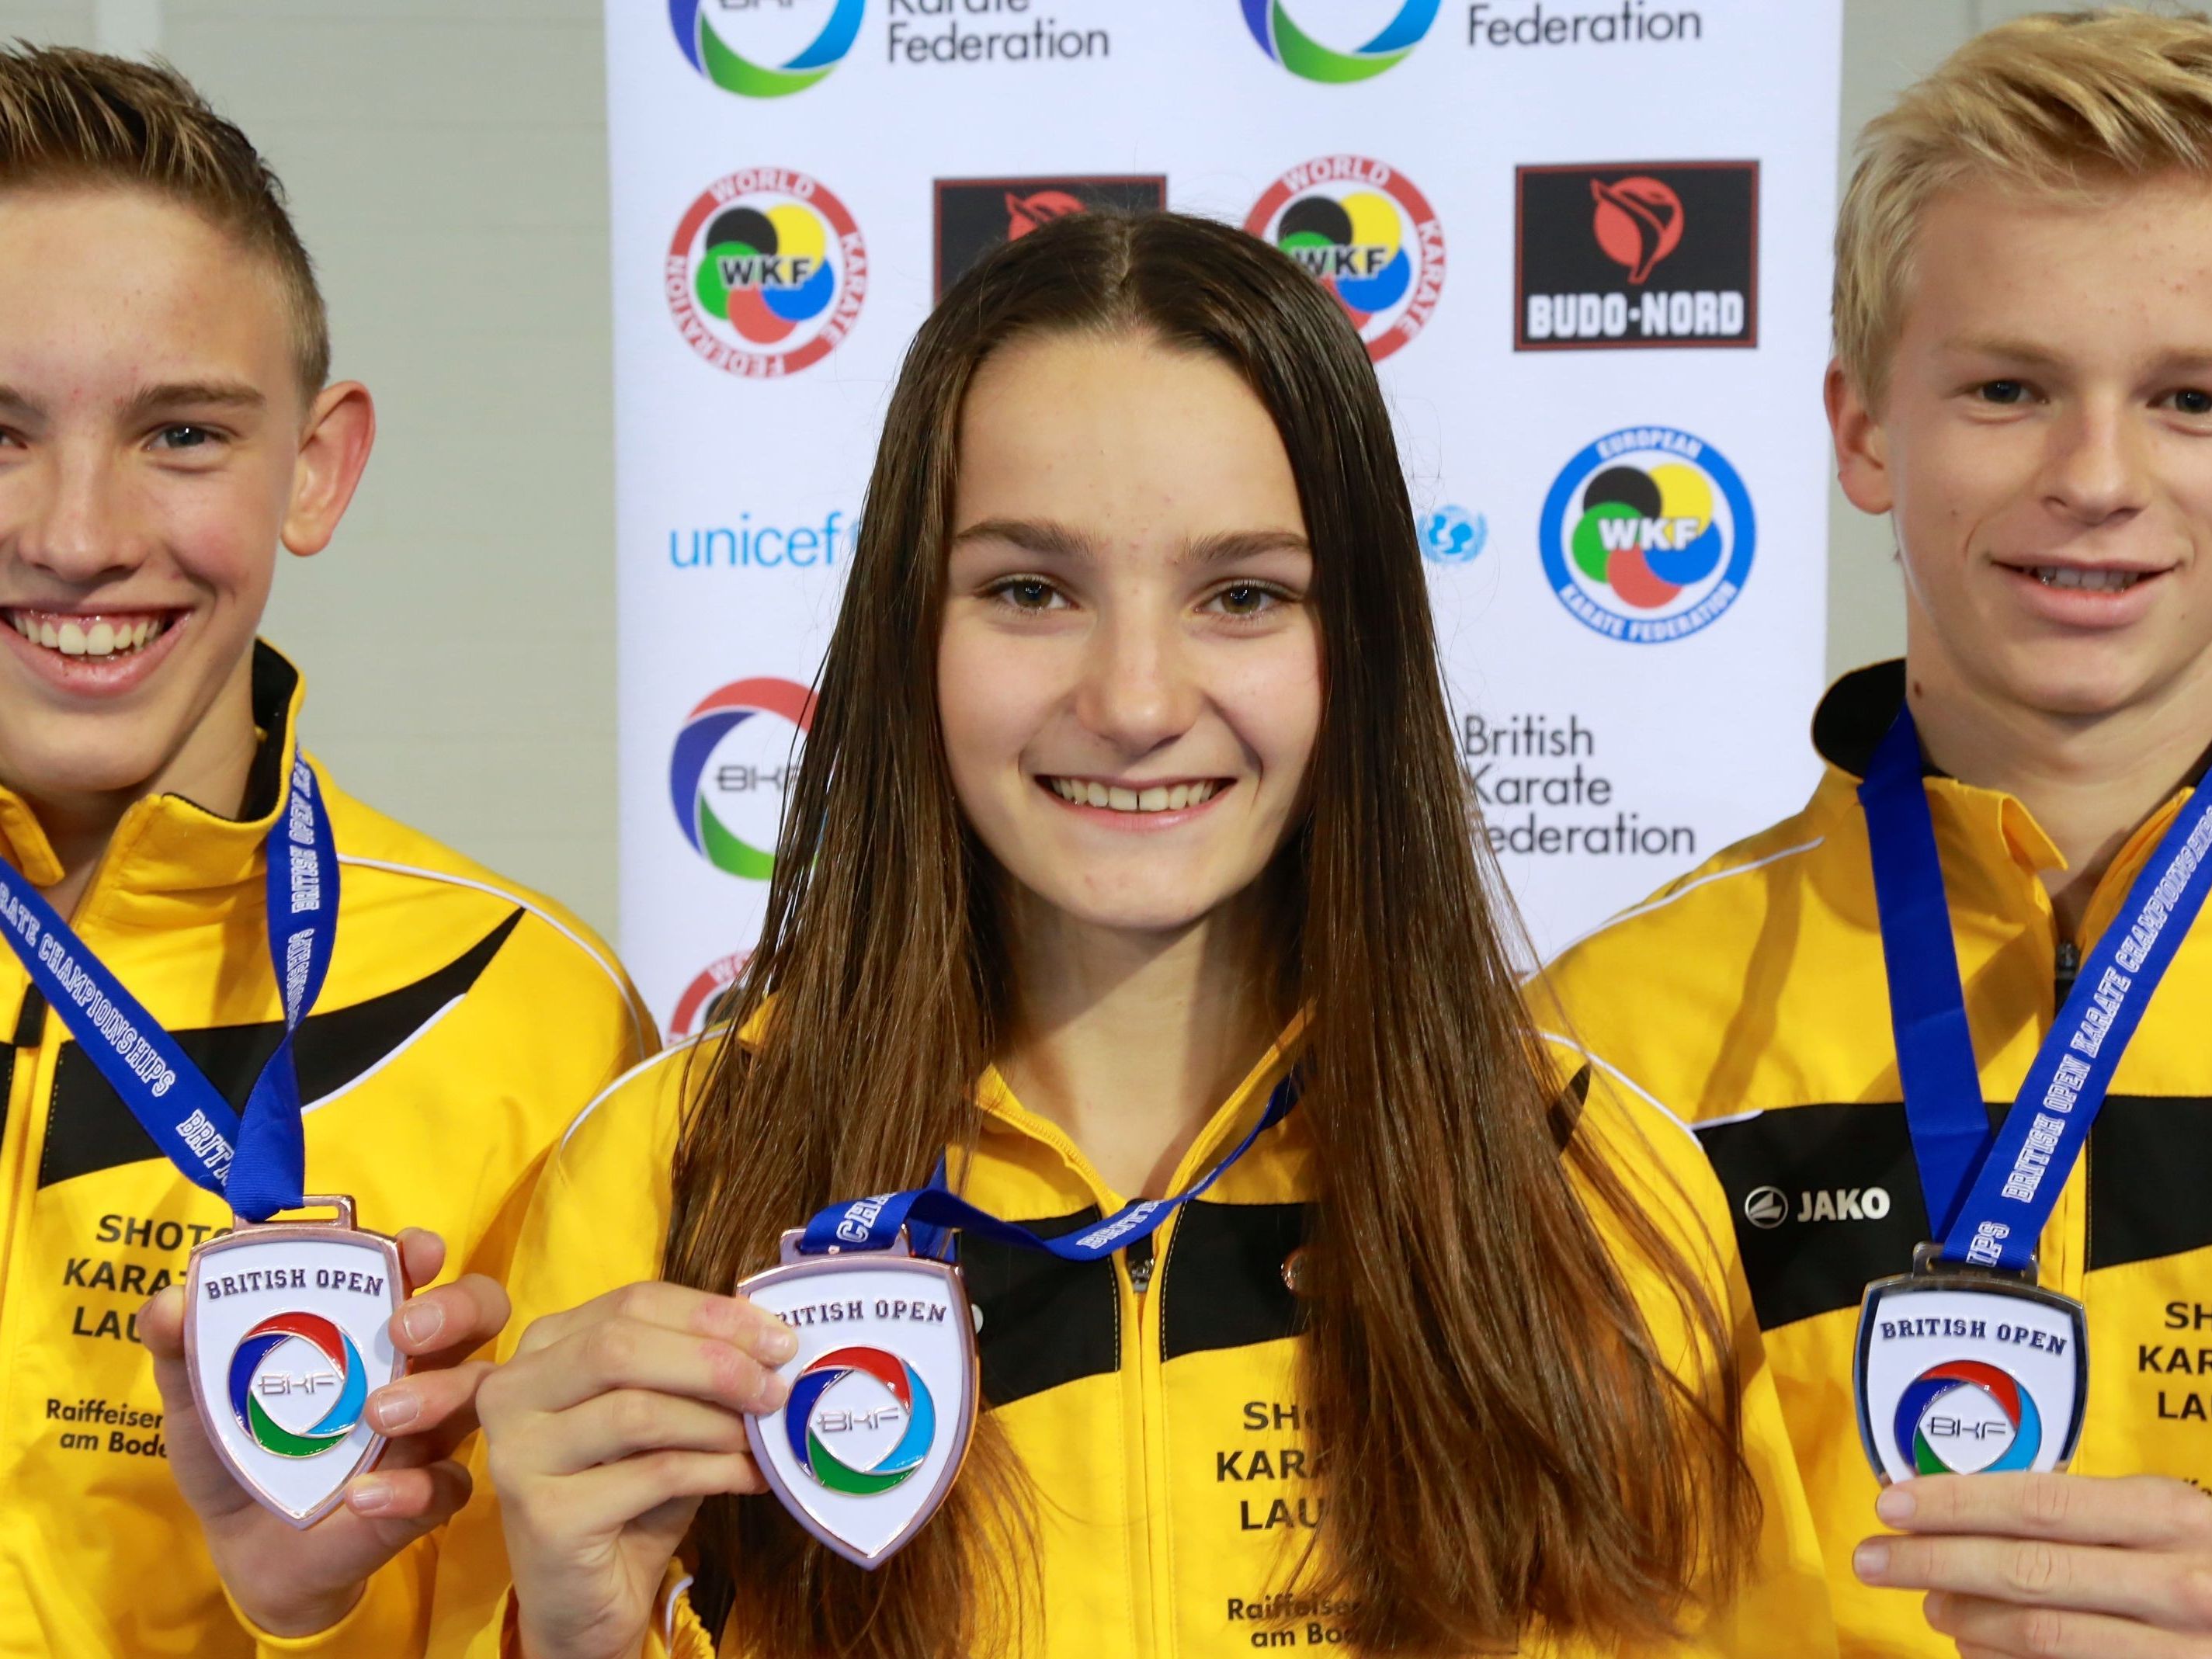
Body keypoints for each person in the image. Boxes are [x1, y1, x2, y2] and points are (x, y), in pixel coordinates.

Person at [270, 209, 1835, 1659]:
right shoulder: (675, 1172)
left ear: (1353, 643)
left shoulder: (1589, 1183)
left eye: (1243, 594)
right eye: (1030, 589)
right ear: (911, 629)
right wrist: (577, 1634)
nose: (1138, 701)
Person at [1534, 11, 2212, 1656]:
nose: (2098, 475)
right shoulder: (1604, 1042)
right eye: (2007, 386)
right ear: (1862, 433)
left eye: (2192, 397)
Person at [0, 46, 652, 1657]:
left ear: (317, 467)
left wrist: (304, 1606)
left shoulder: (534, 1014)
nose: (78, 533)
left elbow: (605, 1617)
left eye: (181, 436)